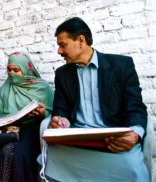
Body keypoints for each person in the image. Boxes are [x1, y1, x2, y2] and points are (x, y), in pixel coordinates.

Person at [39, 17, 149, 182]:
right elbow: (60, 108)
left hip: (112, 141)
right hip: (78, 139)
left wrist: (135, 134)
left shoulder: (121, 66)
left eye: (63, 45)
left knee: (131, 163)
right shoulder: (62, 74)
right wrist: (60, 119)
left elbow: (135, 107)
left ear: (81, 40)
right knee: (51, 156)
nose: (59, 52)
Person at [0, 52, 54, 182]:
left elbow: (52, 113)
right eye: (9, 70)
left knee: (14, 152)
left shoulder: (42, 88)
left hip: (29, 129)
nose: (12, 74)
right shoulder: (7, 85)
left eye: (16, 70)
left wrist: (42, 113)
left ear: (26, 69)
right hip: (4, 128)